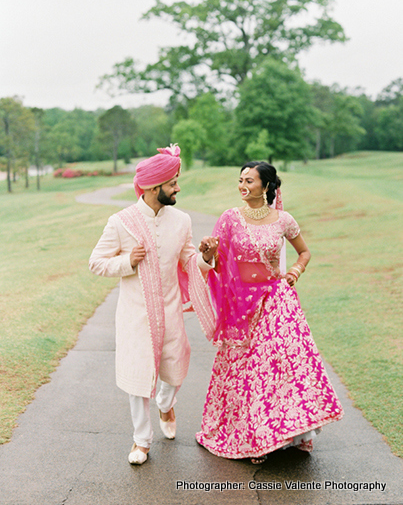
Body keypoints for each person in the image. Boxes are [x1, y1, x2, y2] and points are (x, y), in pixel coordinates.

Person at [196, 161, 344, 463]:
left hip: (276, 301)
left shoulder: (283, 220)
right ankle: (252, 438)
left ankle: (282, 435)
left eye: (249, 181)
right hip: (241, 306)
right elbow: (219, 263)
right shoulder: (229, 219)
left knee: (279, 370)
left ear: (266, 186)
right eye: (240, 180)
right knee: (245, 373)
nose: (242, 186)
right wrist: (208, 253)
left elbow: (305, 251)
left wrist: (295, 272)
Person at [89, 144, 217, 465]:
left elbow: (188, 260)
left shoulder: (182, 220)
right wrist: (126, 262)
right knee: (137, 376)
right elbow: (96, 262)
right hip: (136, 316)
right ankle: (141, 441)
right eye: (173, 182)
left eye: (177, 180)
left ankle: (165, 401)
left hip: (171, 310)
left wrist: (205, 256)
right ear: (152, 187)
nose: (178, 187)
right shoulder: (121, 222)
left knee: (175, 369)